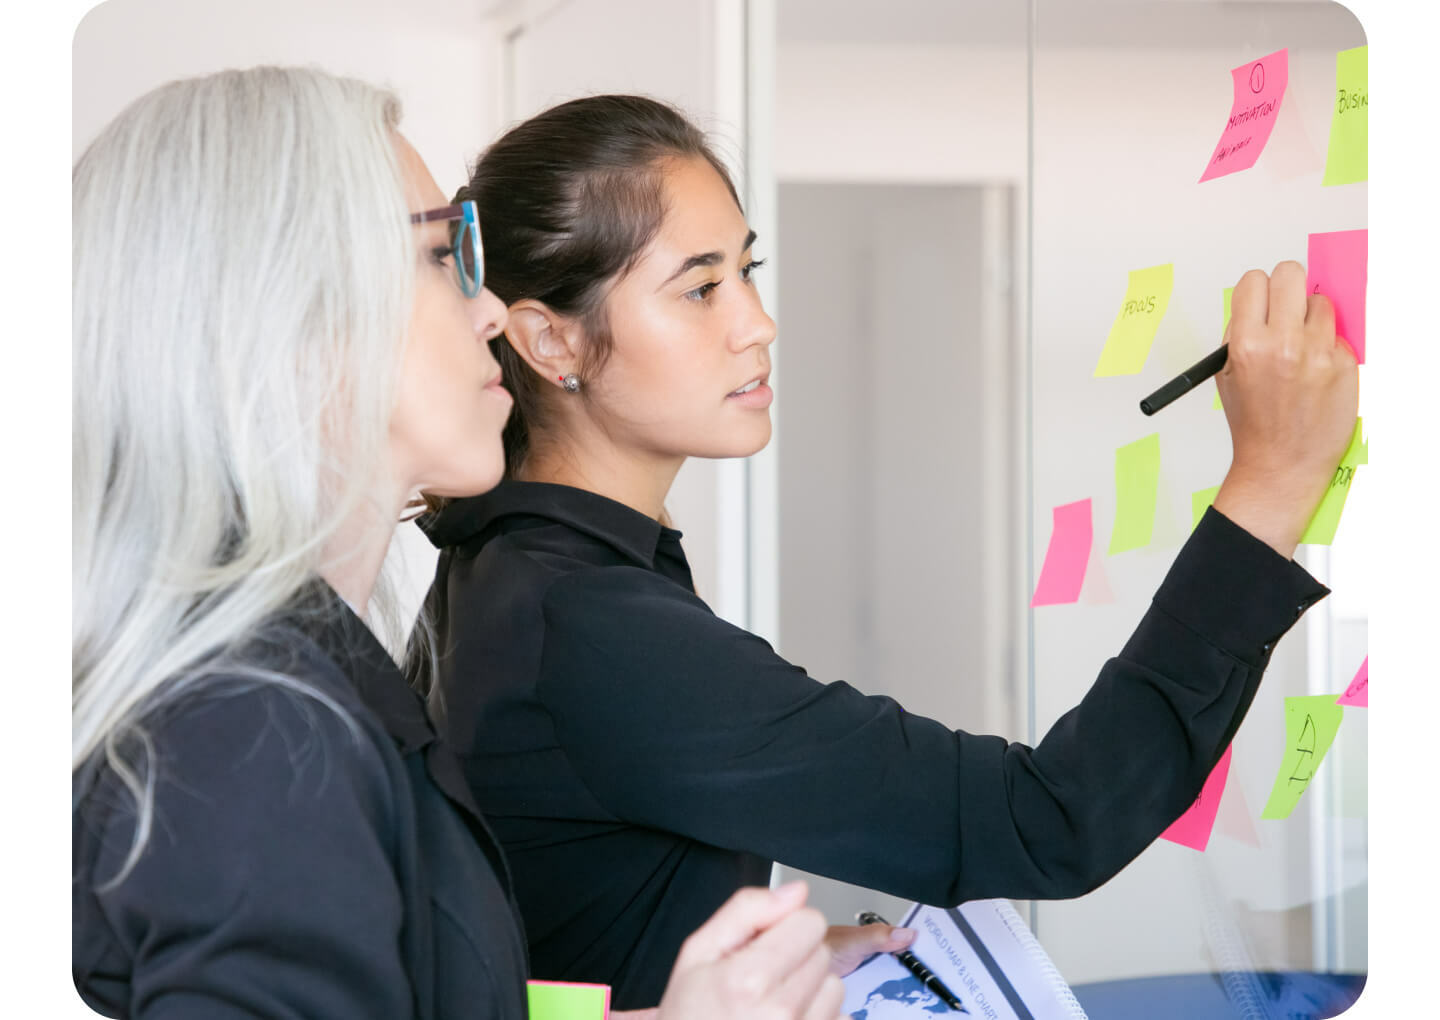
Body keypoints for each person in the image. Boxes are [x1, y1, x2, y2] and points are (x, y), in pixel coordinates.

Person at [412, 94, 1359, 1010]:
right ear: (548, 340)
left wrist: (689, 946)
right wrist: (1270, 486)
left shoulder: (508, 567)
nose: (756, 324)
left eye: (749, 270)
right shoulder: (591, 625)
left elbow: (551, 912)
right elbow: (1052, 819)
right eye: (700, 289)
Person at [71, 67, 845, 1020]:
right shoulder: (256, 738)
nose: (489, 313)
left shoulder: (320, 676)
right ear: (296, 318)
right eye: (443, 257)